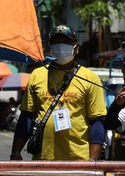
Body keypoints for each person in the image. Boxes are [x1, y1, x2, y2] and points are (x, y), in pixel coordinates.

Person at [10, 24, 107, 161]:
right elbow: (26, 117)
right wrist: (15, 152)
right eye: (56, 43)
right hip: (42, 159)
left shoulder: (90, 78)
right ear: (50, 48)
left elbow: (97, 122)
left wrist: (93, 161)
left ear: (76, 48)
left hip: (78, 161)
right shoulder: (37, 75)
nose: (61, 46)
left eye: (66, 42)